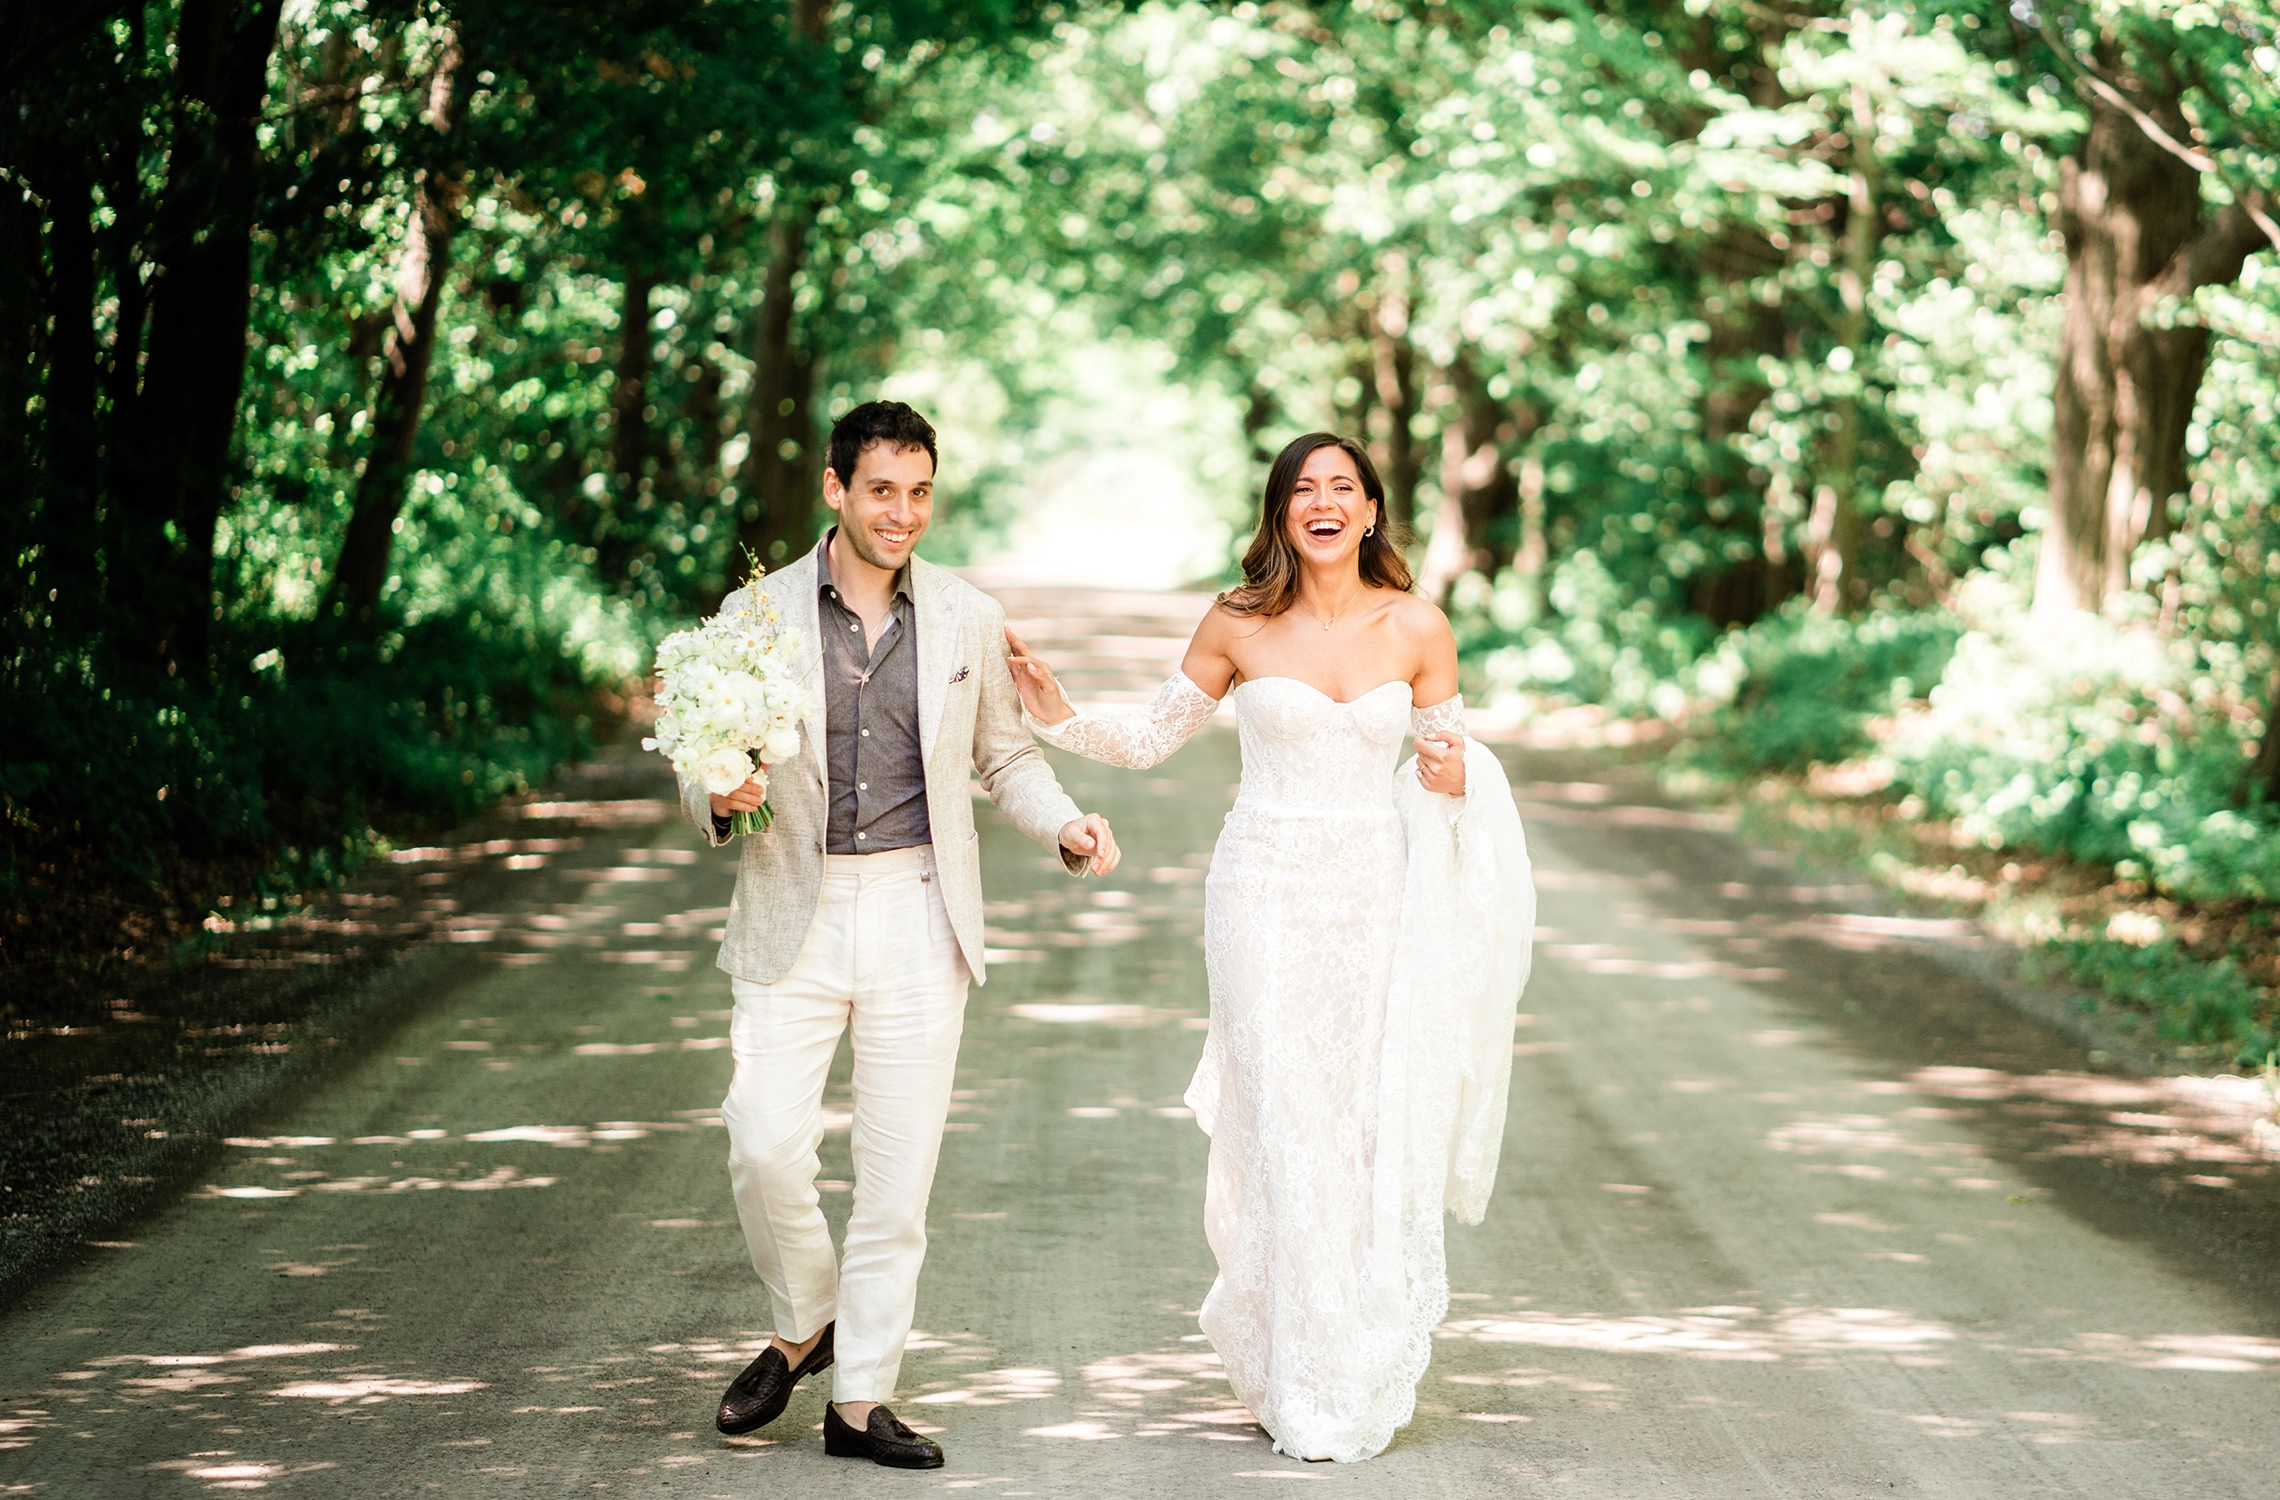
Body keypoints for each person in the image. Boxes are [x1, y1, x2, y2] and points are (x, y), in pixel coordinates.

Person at [1005, 432, 1533, 1463]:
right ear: (1280, 513)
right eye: (1304, 490)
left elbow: (1448, 770)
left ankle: (1349, 1349)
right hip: (1262, 893)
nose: (1323, 503)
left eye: (1343, 488)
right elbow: (1155, 737)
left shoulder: (1420, 628)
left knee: (1361, 1118)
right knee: (1284, 1115)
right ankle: (1294, 1367)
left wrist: (1462, 785)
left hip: (1379, 892)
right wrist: (1061, 718)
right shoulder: (1238, 621)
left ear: (1372, 510)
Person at [682, 399, 1121, 1470]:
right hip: (796, 902)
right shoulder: (755, 615)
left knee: (897, 1173)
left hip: (922, 907)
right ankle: (807, 1319)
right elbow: (705, 754)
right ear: (835, 490)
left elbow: (1005, 759)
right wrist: (722, 792)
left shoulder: (967, 616)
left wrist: (1063, 824)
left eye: (920, 492)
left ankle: (859, 1400)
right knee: (763, 1140)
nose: (903, 512)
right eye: (882, 489)